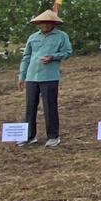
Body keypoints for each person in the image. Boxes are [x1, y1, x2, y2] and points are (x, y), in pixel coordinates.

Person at [17, 10, 73, 148]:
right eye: (43, 23)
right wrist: (21, 75)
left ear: (53, 23)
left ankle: (53, 137)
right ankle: (30, 136)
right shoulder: (33, 37)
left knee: (50, 107)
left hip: (49, 76)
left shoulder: (61, 36)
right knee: (30, 107)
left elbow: (67, 52)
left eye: (48, 23)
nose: (45, 25)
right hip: (32, 76)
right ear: (39, 24)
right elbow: (26, 57)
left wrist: (53, 57)